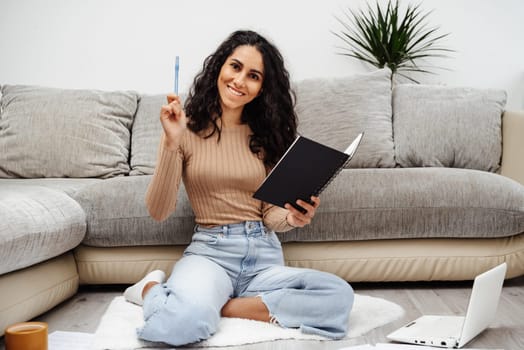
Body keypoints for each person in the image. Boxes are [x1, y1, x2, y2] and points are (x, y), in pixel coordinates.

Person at [123, 30, 354, 346]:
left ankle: (220, 306)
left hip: (263, 257)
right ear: (219, 67)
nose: (240, 81)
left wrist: (292, 218)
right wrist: (171, 143)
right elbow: (159, 210)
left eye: (254, 76)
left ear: (262, 88)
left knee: (338, 295)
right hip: (210, 254)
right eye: (235, 67)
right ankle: (150, 289)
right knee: (182, 325)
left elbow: (270, 215)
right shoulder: (183, 127)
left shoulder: (267, 136)